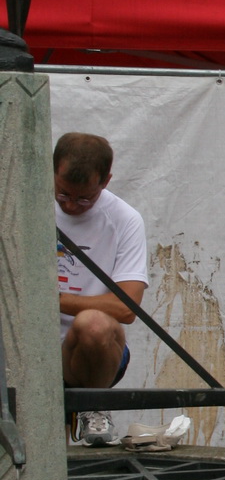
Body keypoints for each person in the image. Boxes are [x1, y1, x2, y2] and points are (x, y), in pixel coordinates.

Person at [54, 132, 148, 446]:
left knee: (93, 324)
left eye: (84, 198)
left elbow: (127, 308)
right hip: (25, 345)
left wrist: (55, 300)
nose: (71, 205)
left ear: (106, 182)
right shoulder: (21, 203)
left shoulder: (125, 219)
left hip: (92, 354)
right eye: (62, 194)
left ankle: (94, 405)